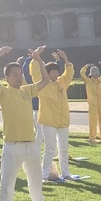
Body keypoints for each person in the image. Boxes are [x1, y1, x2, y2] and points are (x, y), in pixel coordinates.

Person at [0, 46, 51, 201]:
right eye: (14, 74)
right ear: (7, 78)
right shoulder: (4, 92)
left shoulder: (27, 90)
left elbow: (45, 80)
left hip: (30, 143)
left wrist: (38, 60)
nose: (18, 76)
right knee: (8, 179)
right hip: (12, 143)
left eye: (20, 73)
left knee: (36, 177)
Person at [31, 50, 75, 181]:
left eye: (57, 71)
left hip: (63, 121)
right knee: (50, 149)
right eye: (53, 71)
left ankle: (66, 173)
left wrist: (65, 58)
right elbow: (35, 72)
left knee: (64, 149)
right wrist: (36, 58)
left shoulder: (61, 82)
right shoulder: (43, 84)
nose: (56, 74)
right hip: (48, 121)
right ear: (47, 73)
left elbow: (69, 73)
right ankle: (44, 175)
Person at [80, 64, 101, 143]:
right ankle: (92, 137)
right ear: (91, 74)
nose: (96, 75)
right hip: (92, 104)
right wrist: (86, 66)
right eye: (95, 74)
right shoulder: (88, 81)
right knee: (93, 120)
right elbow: (82, 73)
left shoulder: (99, 81)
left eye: (97, 74)